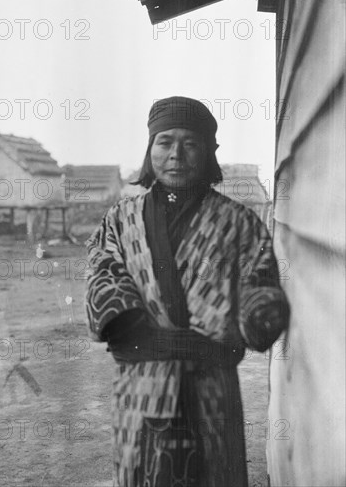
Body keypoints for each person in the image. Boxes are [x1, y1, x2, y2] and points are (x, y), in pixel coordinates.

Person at [85, 96, 289, 487]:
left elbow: (259, 282)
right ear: (150, 149)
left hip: (210, 380)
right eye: (164, 142)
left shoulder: (238, 222)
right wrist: (129, 325)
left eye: (190, 143)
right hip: (142, 380)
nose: (176, 154)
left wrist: (260, 310)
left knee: (215, 472)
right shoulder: (121, 219)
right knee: (141, 471)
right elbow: (102, 270)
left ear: (209, 152)